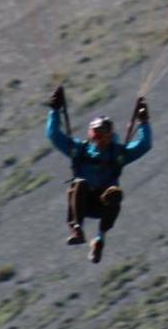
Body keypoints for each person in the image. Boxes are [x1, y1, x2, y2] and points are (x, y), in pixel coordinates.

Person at [45, 87, 151, 263]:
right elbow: (54, 135)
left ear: (110, 136)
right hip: (82, 202)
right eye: (97, 135)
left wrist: (144, 122)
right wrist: (54, 110)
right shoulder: (80, 150)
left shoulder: (118, 154)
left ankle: (99, 240)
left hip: (103, 204)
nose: (100, 140)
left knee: (115, 193)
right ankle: (77, 229)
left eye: (104, 136)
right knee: (80, 184)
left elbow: (144, 144)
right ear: (91, 135)